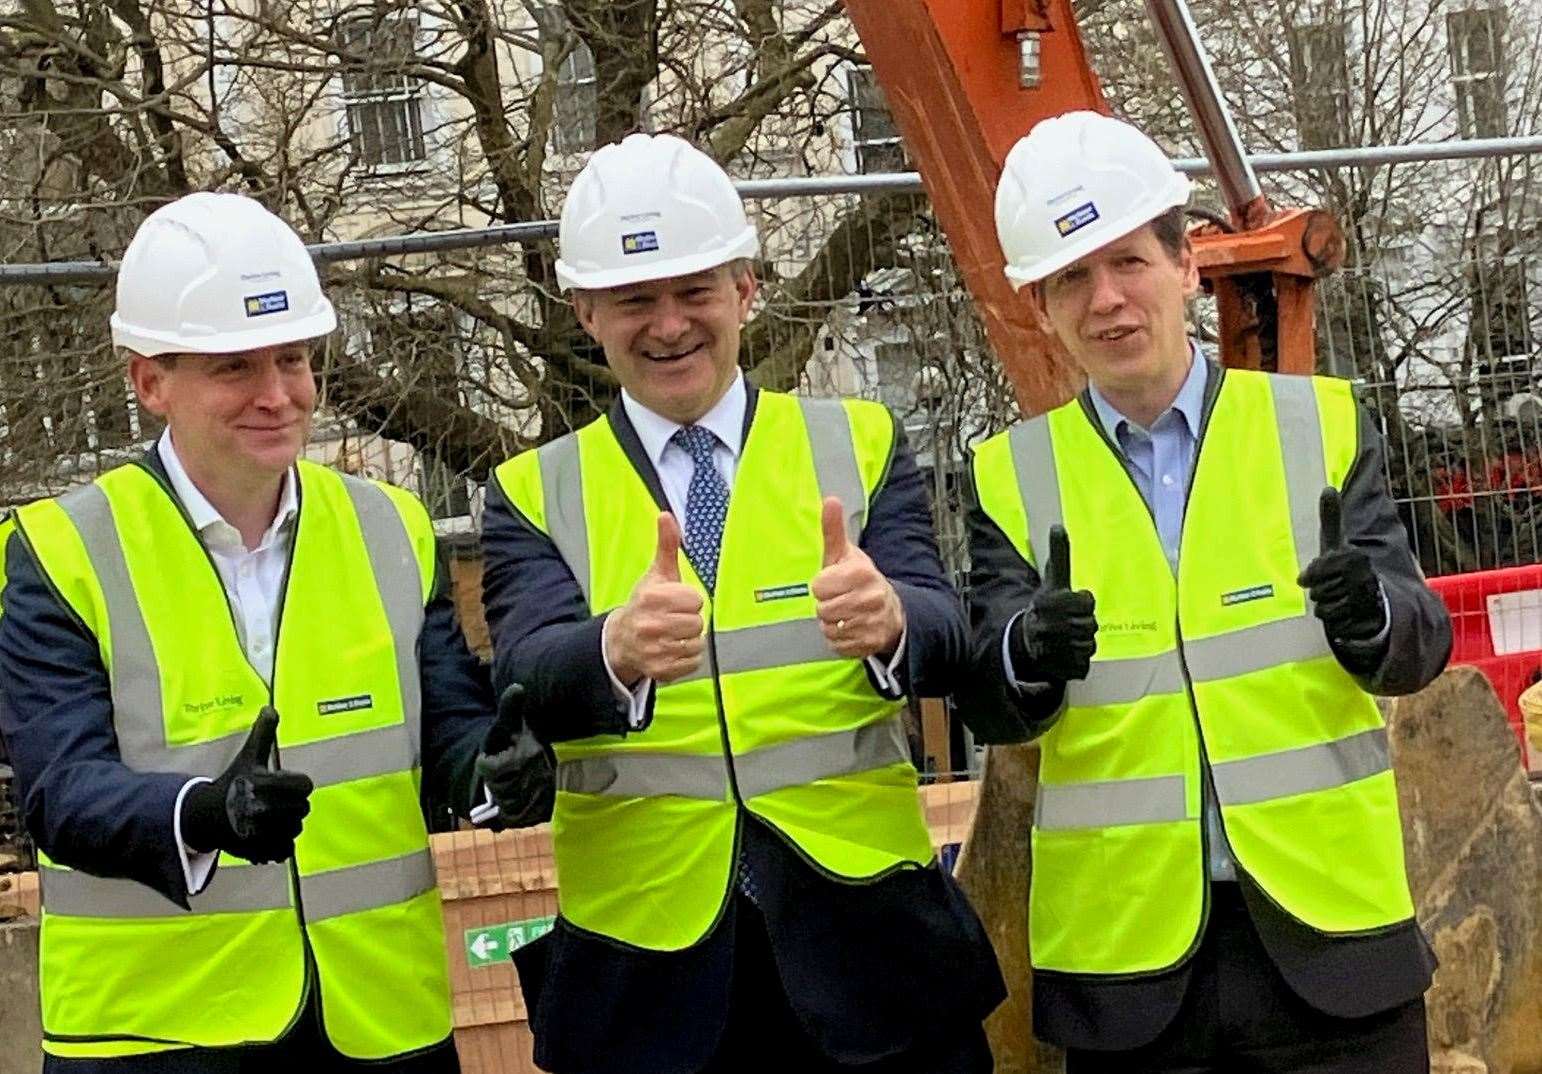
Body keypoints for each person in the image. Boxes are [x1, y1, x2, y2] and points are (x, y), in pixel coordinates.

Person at [480, 132, 1005, 1074]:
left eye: (696, 292)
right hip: (648, 982)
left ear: (747, 290)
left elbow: (946, 626)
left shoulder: (861, 441)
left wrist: (892, 624)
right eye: (636, 299)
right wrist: (613, 649)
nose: (670, 324)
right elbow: (523, 673)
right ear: (585, 312)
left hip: (873, 952)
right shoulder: (531, 490)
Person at [0, 192, 546, 1073]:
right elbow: (59, 788)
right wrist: (203, 814)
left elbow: (444, 726)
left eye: (293, 359)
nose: (278, 394)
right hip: (161, 1036)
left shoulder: (390, 528)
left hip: (379, 1020)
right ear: (149, 381)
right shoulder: (64, 551)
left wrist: (494, 773)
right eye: (236, 367)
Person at [959, 111, 1452, 1073]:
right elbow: (983, 695)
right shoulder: (1009, 477)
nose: (1106, 300)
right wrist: (1025, 654)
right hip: (1129, 977)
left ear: (1187, 267)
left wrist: (1372, 616)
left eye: (1129, 263)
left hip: (1336, 953)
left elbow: (1421, 639)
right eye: (1071, 278)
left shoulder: (1319, 428)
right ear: (1041, 305)